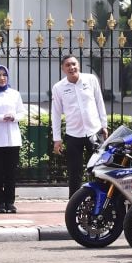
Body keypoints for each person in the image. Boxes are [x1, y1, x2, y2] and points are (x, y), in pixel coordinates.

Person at [51, 55, 109, 197]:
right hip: (73, 135)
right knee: (74, 172)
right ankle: (74, 203)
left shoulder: (91, 79)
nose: (72, 68)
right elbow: (56, 113)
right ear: (63, 69)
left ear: (79, 65)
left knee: (99, 170)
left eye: (74, 64)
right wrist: (57, 138)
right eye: (68, 65)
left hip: (94, 132)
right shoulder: (58, 87)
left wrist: (104, 125)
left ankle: (101, 199)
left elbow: (99, 102)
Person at [0, 65, 27, 213]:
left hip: (13, 139)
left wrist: (14, 117)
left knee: (11, 173)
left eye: (4, 75)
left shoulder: (15, 94)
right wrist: (1, 117)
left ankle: (10, 202)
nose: (2, 78)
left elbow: (22, 113)